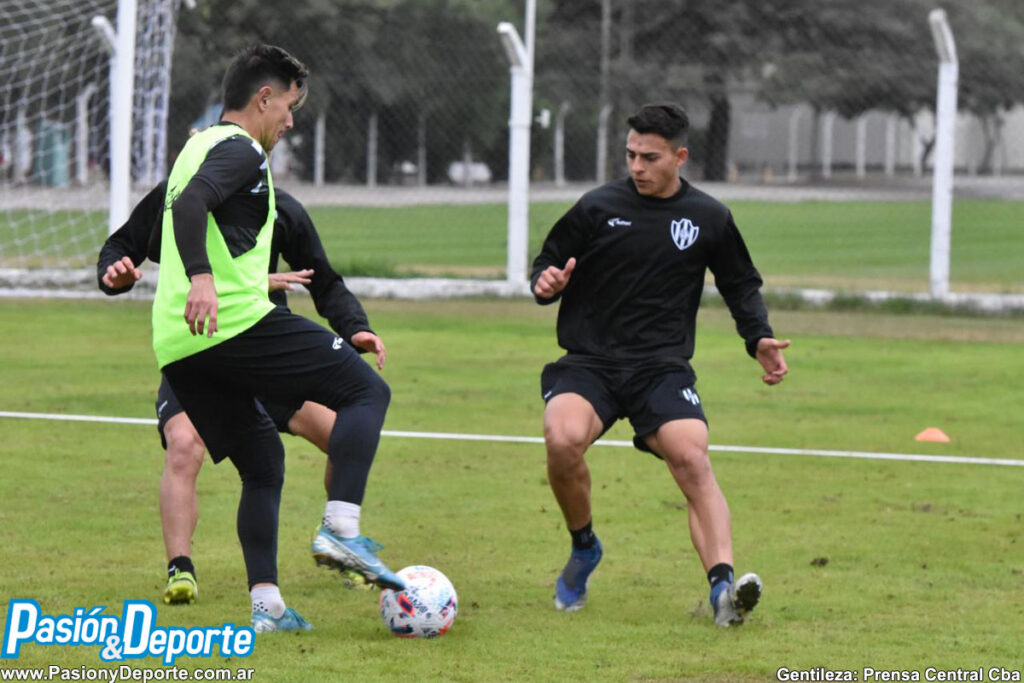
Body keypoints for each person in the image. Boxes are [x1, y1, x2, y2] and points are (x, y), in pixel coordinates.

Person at [150, 44, 404, 633]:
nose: (290, 121)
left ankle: (267, 610)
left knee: (263, 463)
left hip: (180, 343)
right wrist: (204, 279)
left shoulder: (194, 147)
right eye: (289, 106)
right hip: (233, 322)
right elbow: (193, 205)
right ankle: (342, 530)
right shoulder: (240, 149)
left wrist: (351, 324)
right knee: (367, 393)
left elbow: (189, 205)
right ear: (263, 98)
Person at [531, 102, 790, 627]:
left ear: (680, 157)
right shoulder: (597, 206)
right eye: (631, 155)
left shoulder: (709, 217)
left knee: (692, 458)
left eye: (649, 157)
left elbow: (740, 283)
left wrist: (758, 337)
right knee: (561, 438)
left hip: (660, 368)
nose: (637, 166)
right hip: (590, 362)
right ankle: (584, 546)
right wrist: (546, 282)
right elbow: (547, 263)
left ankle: (723, 591)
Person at [97, 180, 384, 605]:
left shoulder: (280, 208)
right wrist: (115, 273)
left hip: (265, 356)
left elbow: (323, 280)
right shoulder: (176, 198)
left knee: (342, 436)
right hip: (200, 352)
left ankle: (338, 542)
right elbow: (121, 245)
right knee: (184, 444)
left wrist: (355, 327)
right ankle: (181, 569)